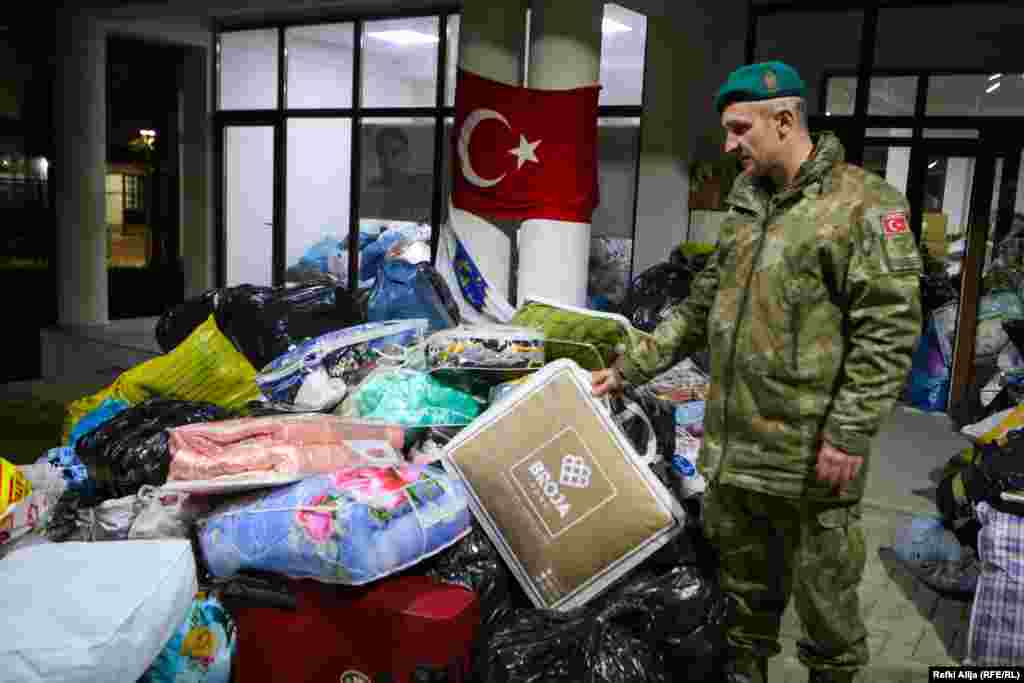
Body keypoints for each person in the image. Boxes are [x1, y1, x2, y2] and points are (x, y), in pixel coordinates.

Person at [592, 61, 922, 683]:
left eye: (739, 129)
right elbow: (699, 306)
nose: (728, 145)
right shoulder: (747, 203)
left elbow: (890, 329)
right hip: (734, 449)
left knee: (827, 616)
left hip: (809, 456)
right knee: (743, 609)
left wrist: (849, 432)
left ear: (785, 120)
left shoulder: (864, 206)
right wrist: (629, 368)